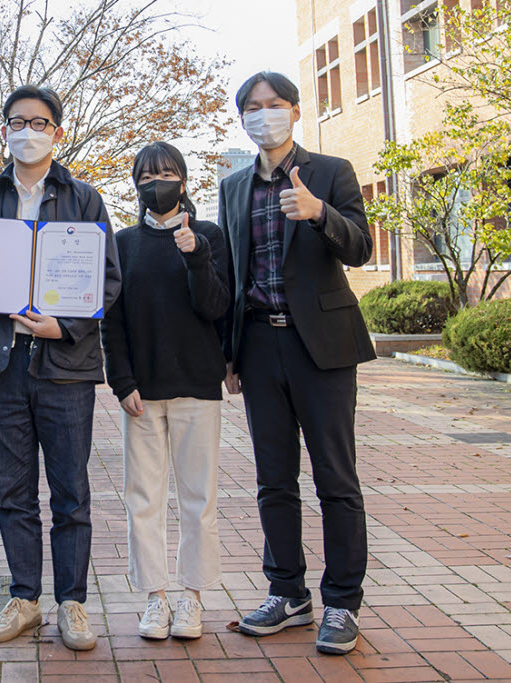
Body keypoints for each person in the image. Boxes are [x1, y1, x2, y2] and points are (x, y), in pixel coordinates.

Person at [0, 85, 121, 652]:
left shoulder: (85, 198)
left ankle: (72, 604)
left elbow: (107, 281)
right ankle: (25, 598)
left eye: (39, 123)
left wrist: (63, 327)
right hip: (2, 364)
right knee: (11, 491)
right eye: (17, 122)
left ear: (57, 133)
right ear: (4, 131)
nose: (28, 131)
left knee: (70, 491)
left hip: (64, 364)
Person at [218, 72, 375, 655]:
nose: (265, 115)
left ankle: (340, 603)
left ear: (296, 111)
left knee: (336, 478)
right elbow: (235, 273)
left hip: (324, 349)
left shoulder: (331, 172)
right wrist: (229, 354)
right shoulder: (234, 186)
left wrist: (318, 213)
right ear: (243, 119)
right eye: (253, 108)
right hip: (259, 347)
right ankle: (287, 592)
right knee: (273, 480)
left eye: (274, 105)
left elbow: (360, 247)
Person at [101, 142, 229, 641]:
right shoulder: (124, 242)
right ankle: (154, 597)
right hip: (142, 391)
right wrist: (122, 381)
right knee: (144, 498)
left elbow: (217, 307)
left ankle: (192, 596)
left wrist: (196, 255)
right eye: (148, 175)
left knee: (198, 497)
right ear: (136, 184)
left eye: (168, 173)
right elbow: (113, 321)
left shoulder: (208, 234)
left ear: (184, 180)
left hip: (197, 384)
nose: (158, 182)